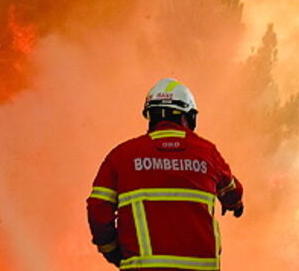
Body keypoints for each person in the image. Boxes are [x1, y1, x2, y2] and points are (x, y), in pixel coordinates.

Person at [86, 78, 244, 269]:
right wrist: (235, 205)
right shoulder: (207, 153)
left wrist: (111, 250)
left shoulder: (122, 156)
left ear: (150, 117)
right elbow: (231, 189)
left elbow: (98, 208)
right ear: (188, 117)